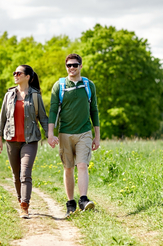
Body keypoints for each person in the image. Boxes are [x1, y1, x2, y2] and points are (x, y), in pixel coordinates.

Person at [47, 54, 100, 216]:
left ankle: (83, 200)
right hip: (65, 133)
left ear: (81, 66)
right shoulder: (59, 86)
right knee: (68, 168)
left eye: (75, 65)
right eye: (69, 65)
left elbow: (94, 110)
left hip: (84, 132)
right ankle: (71, 202)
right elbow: (53, 110)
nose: (72, 68)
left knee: (82, 165)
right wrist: (50, 133)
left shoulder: (89, 85)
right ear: (66, 67)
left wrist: (97, 136)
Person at [0, 65, 49, 219]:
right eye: (14, 73)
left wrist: (50, 135)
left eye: (19, 73)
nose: (15, 75)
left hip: (30, 140)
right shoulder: (9, 95)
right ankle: (20, 200)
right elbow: (2, 118)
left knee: (25, 173)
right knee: (16, 174)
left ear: (28, 77)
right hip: (11, 139)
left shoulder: (35, 96)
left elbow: (43, 118)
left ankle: (25, 205)